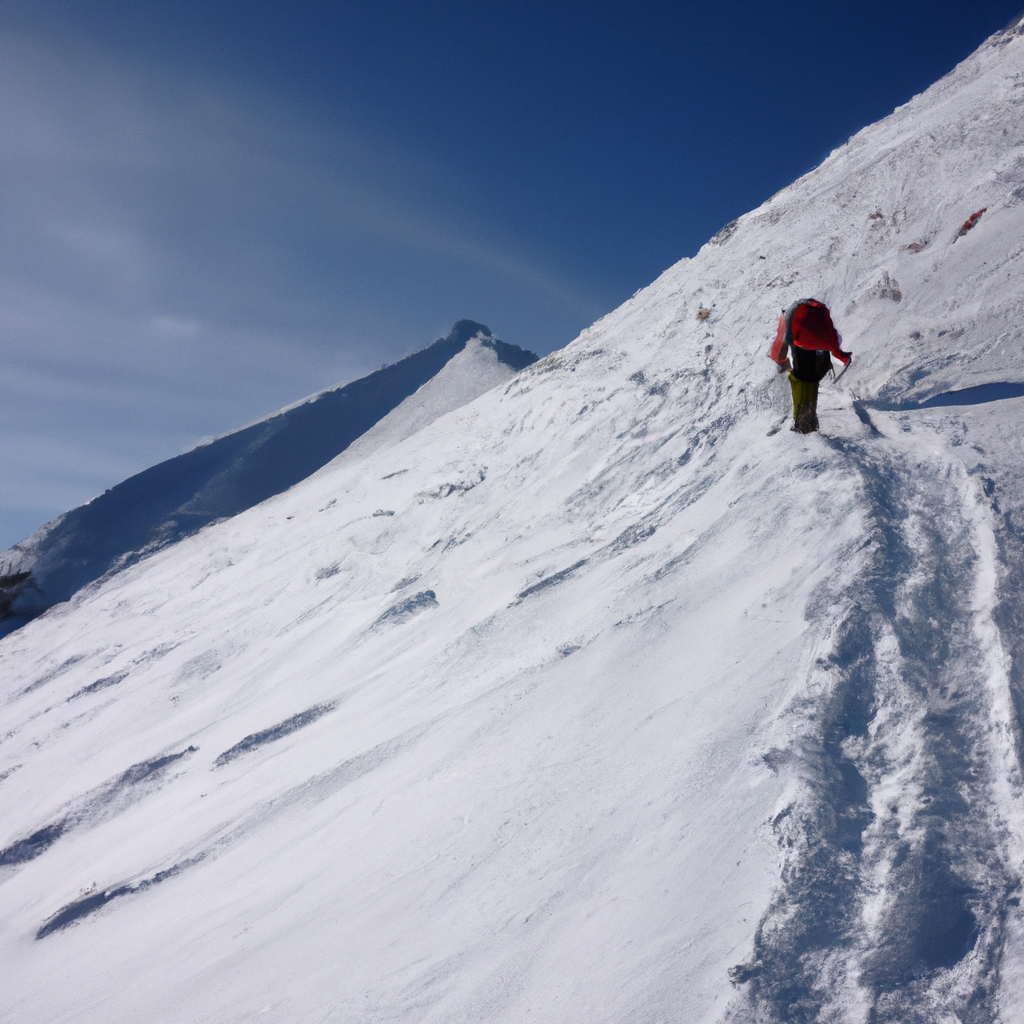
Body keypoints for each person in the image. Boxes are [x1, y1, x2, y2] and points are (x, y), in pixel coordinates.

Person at [769, 298, 851, 433]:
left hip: (800, 362)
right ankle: (810, 423)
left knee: (799, 387)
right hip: (819, 364)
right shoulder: (819, 316)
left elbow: (781, 343)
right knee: (811, 387)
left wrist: (778, 360)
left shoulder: (791, 318)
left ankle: (800, 425)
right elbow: (835, 338)